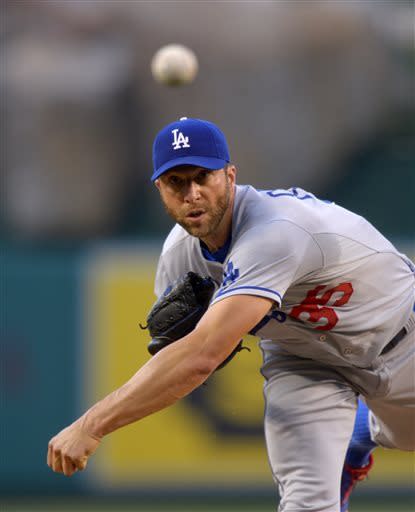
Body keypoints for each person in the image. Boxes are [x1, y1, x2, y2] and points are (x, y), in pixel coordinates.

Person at [47, 117, 415, 512]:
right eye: (176, 182)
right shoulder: (180, 258)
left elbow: (199, 358)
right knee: (306, 501)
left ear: (230, 175)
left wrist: (92, 425)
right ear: (160, 189)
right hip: (304, 361)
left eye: (203, 176)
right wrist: (195, 347)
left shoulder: (275, 231)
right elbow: (182, 354)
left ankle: (363, 430)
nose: (192, 194)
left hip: (400, 339)